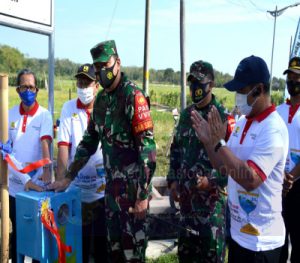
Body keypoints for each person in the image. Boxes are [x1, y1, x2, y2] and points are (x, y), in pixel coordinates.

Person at [49, 40, 156, 263]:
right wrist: (68, 177)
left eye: (105, 65)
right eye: (97, 68)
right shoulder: (101, 102)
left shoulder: (133, 97)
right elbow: (88, 142)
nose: (101, 71)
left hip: (133, 199)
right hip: (111, 198)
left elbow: (148, 151)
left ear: (118, 63)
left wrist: (142, 197)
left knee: (132, 257)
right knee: (113, 255)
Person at [191, 55, 288, 263]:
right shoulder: (243, 123)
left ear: (259, 90)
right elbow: (223, 167)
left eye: (242, 91)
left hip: (262, 244)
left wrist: (219, 144)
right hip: (238, 237)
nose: (237, 97)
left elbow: (251, 179)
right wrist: (209, 143)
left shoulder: (273, 129)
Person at [166, 60, 234, 263]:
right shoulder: (187, 116)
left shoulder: (221, 117)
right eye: (192, 83)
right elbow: (176, 151)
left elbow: (230, 165)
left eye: (200, 83)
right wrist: (173, 182)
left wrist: (210, 182)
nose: (195, 88)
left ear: (211, 84)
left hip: (211, 212)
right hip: (187, 209)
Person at [56, 63, 107, 263]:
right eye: (80, 82)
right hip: (76, 192)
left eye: (87, 83)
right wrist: (61, 182)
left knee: (102, 247)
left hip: (102, 191)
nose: (83, 87)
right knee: (80, 247)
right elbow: (62, 148)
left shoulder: (105, 108)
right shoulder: (68, 108)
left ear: (97, 86)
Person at [8, 69, 53, 263]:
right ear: (17, 89)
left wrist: (46, 176)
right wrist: (23, 180)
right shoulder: (8, 115)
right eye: (24, 86)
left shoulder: (44, 116)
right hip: (15, 189)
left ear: (37, 90)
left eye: (32, 87)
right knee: (18, 233)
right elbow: (6, 154)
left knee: (38, 239)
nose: (28, 90)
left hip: (36, 189)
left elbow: (45, 146)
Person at [277, 56, 300, 263]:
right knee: (279, 242)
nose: (293, 82)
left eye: (297, 78)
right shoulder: (278, 112)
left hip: (298, 186)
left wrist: (292, 176)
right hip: (279, 186)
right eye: (290, 78)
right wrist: (282, 177)